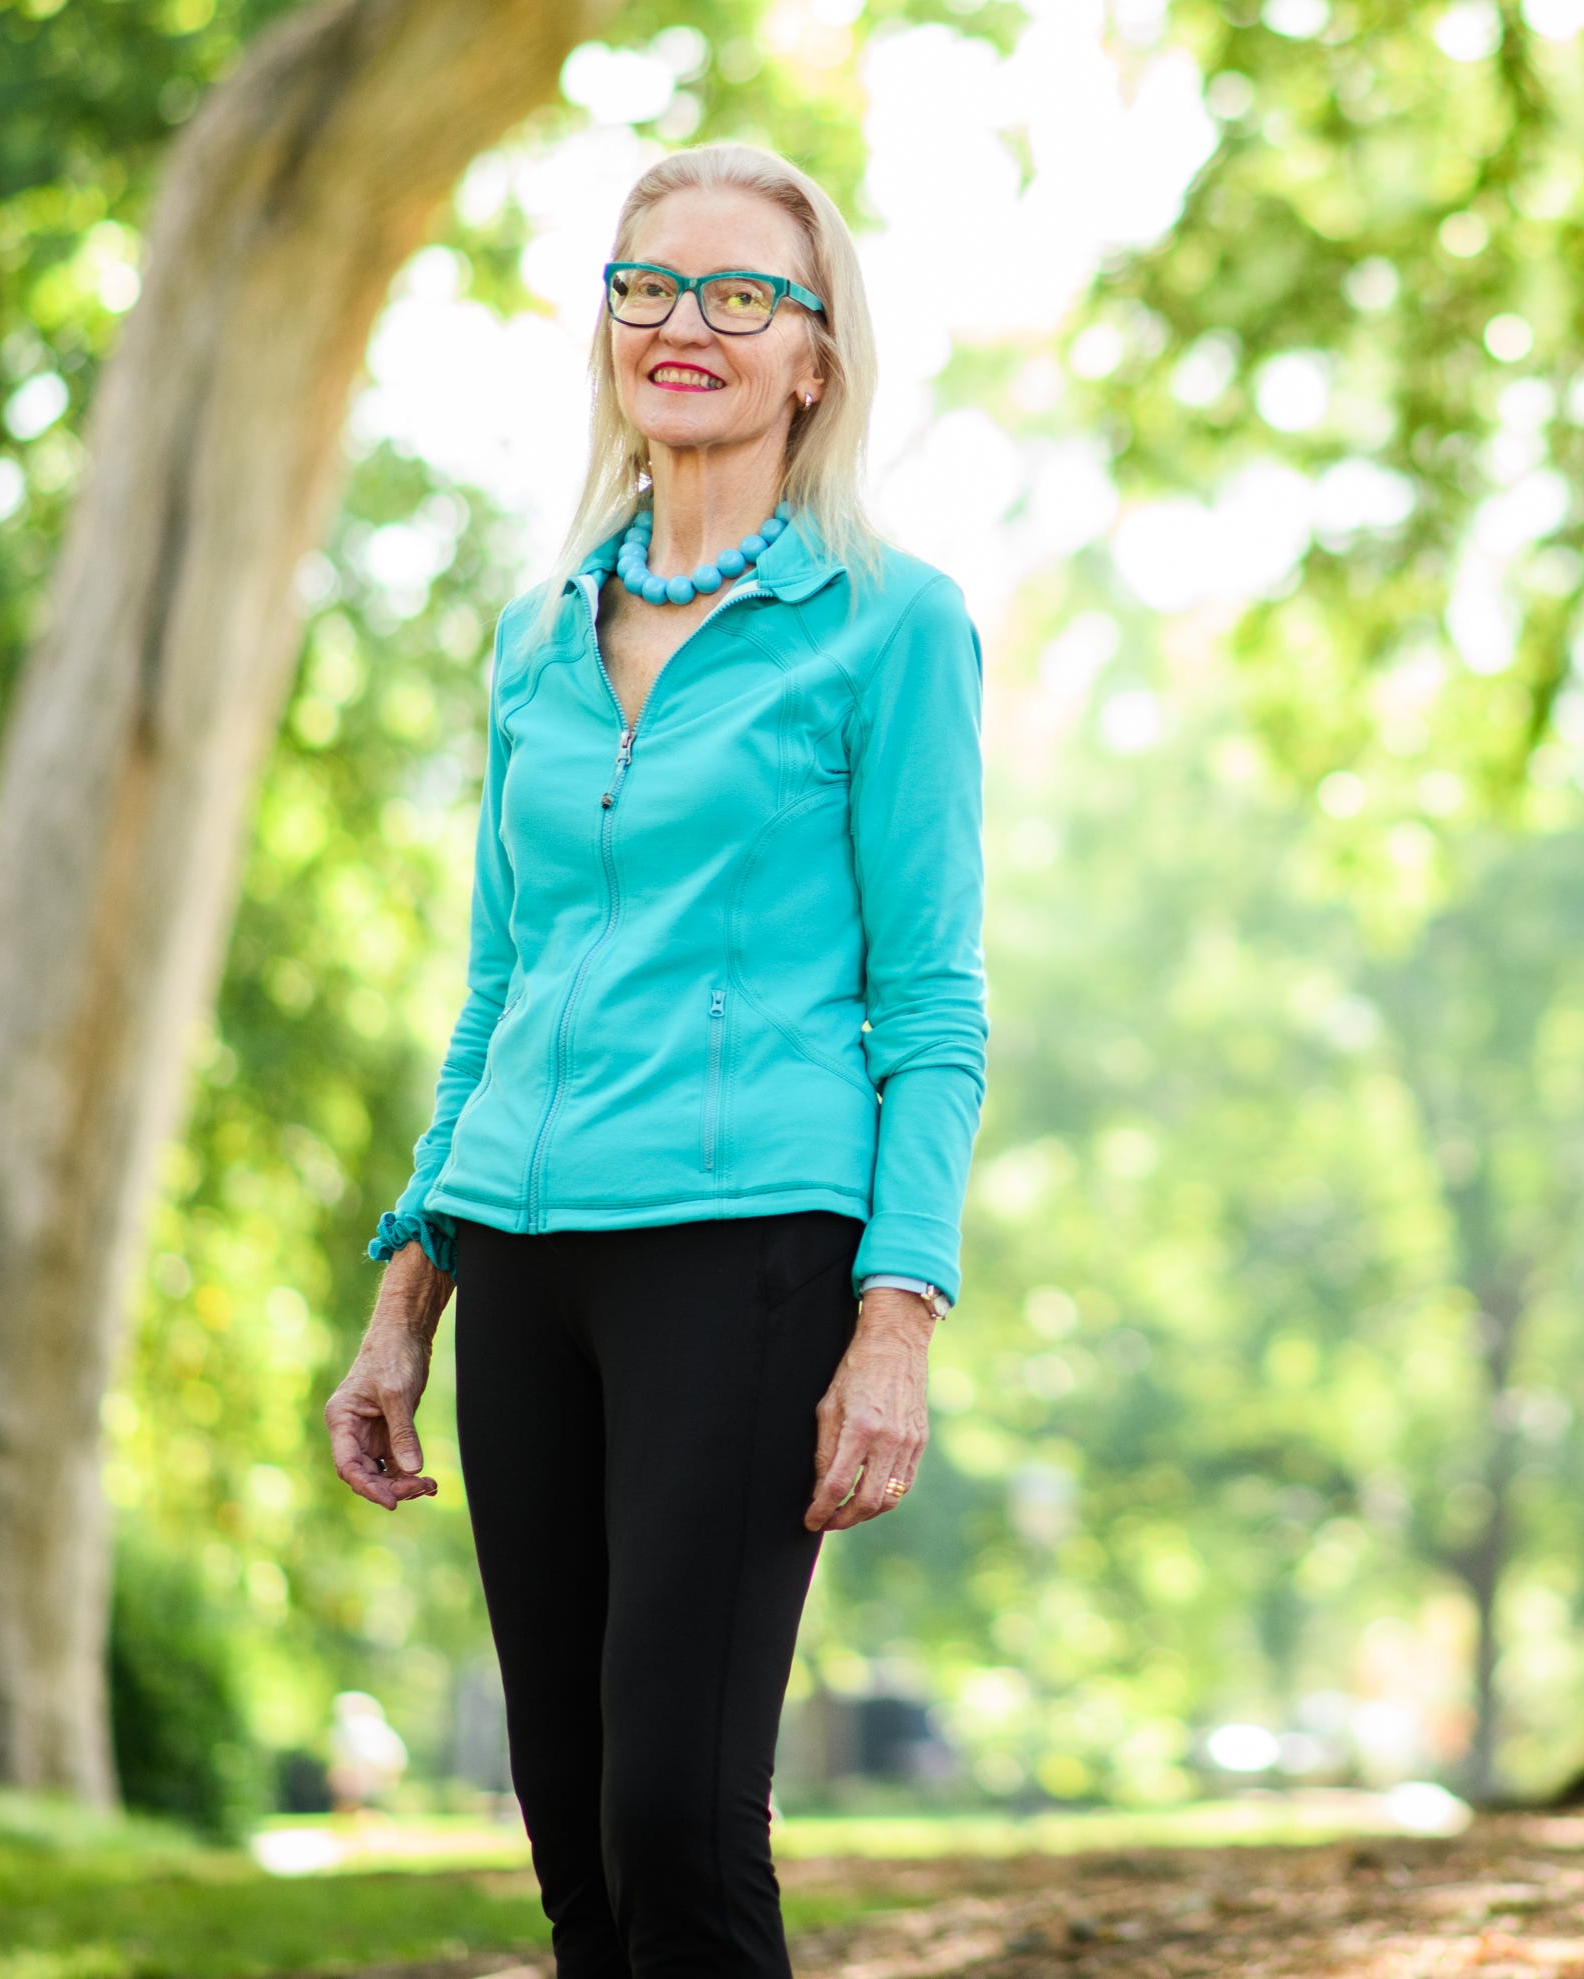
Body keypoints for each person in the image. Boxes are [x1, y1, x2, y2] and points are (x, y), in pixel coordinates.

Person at [325, 142, 982, 1979]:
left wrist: (898, 1317)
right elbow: (495, 990)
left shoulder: (890, 625)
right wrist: (407, 1289)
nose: (683, 323)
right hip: (520, 1262)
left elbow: (933, 1005)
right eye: (646, 285)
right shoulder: (536, 639)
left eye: (739, 294)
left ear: (814, 361)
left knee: (677, 1826)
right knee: (571, 1835)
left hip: (748, 1255)